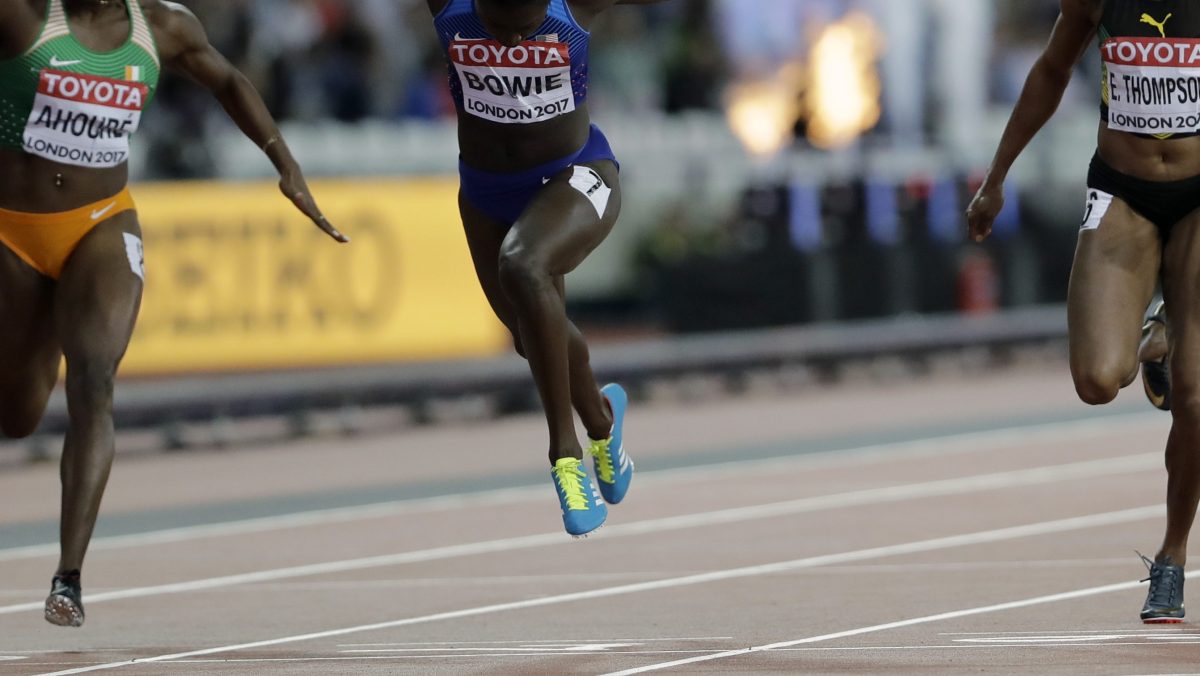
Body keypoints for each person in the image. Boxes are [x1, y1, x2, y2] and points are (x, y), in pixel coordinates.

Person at [0, 0, 347, 627]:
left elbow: (230, 81)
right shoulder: (22, 17)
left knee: (94, 381)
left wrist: (286, 167)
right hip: (11, 233)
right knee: (18, 416)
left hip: (99, 225)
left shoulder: (161, 27)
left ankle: (68, 577)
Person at [968, 0, 1200, 623]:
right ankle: (1159, 332)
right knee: (1097, 379)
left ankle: (1173, 556)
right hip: (1124, 190)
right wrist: (996, 177)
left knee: (1197, 395)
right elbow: (1050, 70)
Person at [424, 0, 661, 537]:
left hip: (576, 176)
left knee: (523, 264)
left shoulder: (575, 6)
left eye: (527, 30)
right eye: (499, 28)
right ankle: (602, 419)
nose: (511, 43)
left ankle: (566, 457)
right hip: (486, 193)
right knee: (532, 338)